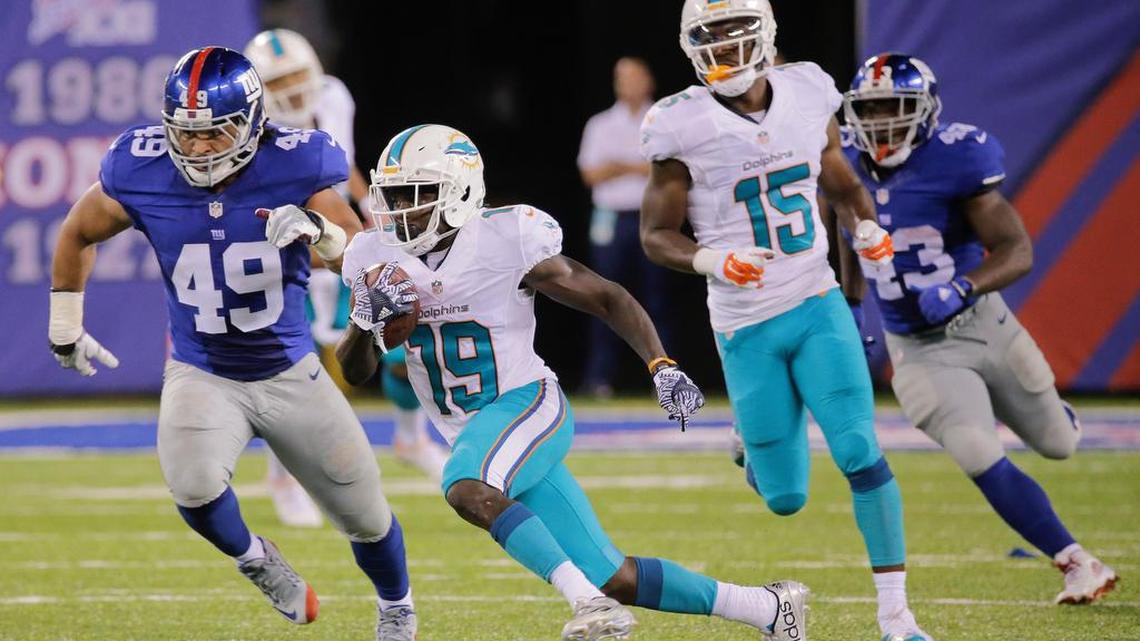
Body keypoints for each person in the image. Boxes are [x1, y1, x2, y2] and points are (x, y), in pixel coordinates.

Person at [336, 123, 810, 641]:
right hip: (477, 431)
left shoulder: (505, 237)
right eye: (396, 195)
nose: (404, 209)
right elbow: (356, 372)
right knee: (615, 576)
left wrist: (661, 365)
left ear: (459, 192)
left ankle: (587, 606)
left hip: (528, 404)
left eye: (419, 194)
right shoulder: (373, 256)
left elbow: (607, 297)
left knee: (465, 486)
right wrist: (366, 318)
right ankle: (768, 608)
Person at [47, 47, 418, 640]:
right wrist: (65, 318)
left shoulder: (297, 162)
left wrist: (320, 233)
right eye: (186, 134)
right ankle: (255, 559)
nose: (198, 148)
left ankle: (397, 606)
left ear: (250, 121)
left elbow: (362, 251)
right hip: (203, 370)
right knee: (192, 489)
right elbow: (78, 229)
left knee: (366, 516)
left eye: (214, 132)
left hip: (289, 369)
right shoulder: (139, 167)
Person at [638, 2, 931, 640]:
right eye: (707, 41)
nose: (721, 52)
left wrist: (868, 227)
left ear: (765, 37)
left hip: (815, 298)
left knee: (859, 450)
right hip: (745, 326)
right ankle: (748, 433)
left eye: (731, 37)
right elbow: (656, 236)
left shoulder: (807, 91)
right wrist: (713, 256)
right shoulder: (679, 124)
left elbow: (844, 188)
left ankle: (898, 618)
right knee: (785, 499)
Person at [839, 52, 1118, 605]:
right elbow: (841, 224)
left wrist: (964, 286)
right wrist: (850, 303)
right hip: (917, 348)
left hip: (984, 323)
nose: (881, 122)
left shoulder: (957, 159)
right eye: (869, 109)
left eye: (894, 108)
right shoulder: (840, 163)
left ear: (925, 112)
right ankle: (1076, 561)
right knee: (975, 452)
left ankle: (1048, 412)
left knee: (1059, 445)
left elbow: (1018, 249)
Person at [244, 29, 447, 529]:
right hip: (283, 246)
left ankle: (410, 435)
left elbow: (337, 166)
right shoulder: (251, 131)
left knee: (403, 336)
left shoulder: (334, 96)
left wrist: (368, 210)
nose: (291, 88)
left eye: (296, 74)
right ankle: (282, 475)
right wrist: (330, 247)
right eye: (278, 80)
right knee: (290, 371)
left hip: (335, 236)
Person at [577, 57, 671, 398]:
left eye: (634, 77)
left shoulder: (662, 119)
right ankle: (599, 379)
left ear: (648, 81)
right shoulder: (600, 124)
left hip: (648, 215)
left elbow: (666, 170)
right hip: (611, 218)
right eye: (622, 78)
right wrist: (637, 166)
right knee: (603, 297)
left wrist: (617, 165)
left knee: (656, 300)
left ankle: (663, 377)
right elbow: (591, 174)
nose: (628, 84)